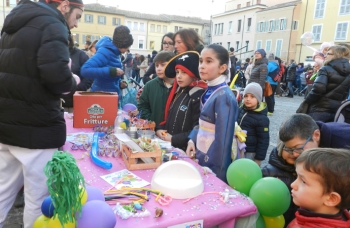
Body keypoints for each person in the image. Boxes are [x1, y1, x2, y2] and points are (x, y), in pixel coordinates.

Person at [0, 0, 83, 227]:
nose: (75, 25)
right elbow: (55, 75)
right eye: (77, 16)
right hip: (35, 126)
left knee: (3, 191)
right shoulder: (52, 24)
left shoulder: (15, 23)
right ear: (65, 5)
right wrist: (72, 82)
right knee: (37, 200)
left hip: (7, 123)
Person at [262, 113, 350, 225]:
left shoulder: (344, 139)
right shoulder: (304, 140)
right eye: (289, 149)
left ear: (316, 135)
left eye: (298, 148)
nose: (294, 154)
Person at [186, 44, 238, 183]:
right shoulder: (208, 91)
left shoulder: (224, 97)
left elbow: (223, 142)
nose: (202, 66)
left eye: (208, 61)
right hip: (201, 154)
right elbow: (202, 123)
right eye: (201, 61)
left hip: (213, 163)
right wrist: (192, 139)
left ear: (222, 68)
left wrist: (218, 173)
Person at [288, 148, 350, 228]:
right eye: (297, 177)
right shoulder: (310, 210)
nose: (293, 185)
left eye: (303, 181)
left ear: (331, 199)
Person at [156, 51, 206, 150]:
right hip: (171, 147)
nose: (179, 76)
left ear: (193, 74)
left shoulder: (198, 96)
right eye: (177, 72)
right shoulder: (178, 92)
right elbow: (170, 119)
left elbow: (197, 129)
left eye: (184, 72)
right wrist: (159, 129)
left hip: (185, 150)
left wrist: (173, 139)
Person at [81, 25, 133, 97]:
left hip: (110, 95)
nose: (127, 49)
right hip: (102, 97)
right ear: (122, 44)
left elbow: (109, 79)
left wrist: (119, 84)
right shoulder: (105, 52)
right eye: (127, 47)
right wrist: (111, 71)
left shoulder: (116, 53)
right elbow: (85, 70)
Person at [305, 45, 350, 122]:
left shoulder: (325, 69)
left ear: (336, 55)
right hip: (336, 110)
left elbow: (318, 89)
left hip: (319, 108)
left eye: (328, 53)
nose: (325, 56)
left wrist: (307, 100)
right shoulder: (348, 71)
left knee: (312, 132)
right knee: (328, 132)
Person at [138, 51, 175, 126]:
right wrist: (150, 122)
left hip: (173, 134)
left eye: (163, 65)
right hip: (153, 130)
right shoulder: (150, 86)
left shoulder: (180, 86)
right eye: (157, 65)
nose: (159, 69)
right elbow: (143, 106)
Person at [237, 82, 269, 166]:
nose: (248, 99)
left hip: (250, 151)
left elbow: (264, 140)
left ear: (258, 99)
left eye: (252, 96)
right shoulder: (241, 109)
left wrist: (258, 158)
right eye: (246, 96)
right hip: (237, 147)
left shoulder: (262, 118)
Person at [61, 36, 93, 113]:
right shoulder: (54, 54)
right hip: (58, 102)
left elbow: (89, 75)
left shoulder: (81, 55)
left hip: (77, 101)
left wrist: (78, 88)